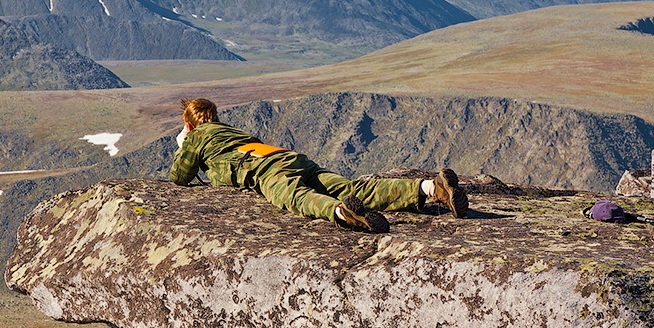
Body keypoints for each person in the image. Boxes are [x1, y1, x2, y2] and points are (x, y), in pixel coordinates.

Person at [169, 98, 468, 233]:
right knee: (353, 187)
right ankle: (430, 187)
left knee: (294, 197)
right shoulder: (230, 130)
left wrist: (185, 141)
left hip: (265, 170)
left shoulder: (198, 136)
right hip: (289, 157)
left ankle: (341, 213)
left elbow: (180, 177)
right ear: (215, 115)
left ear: (189, 123)